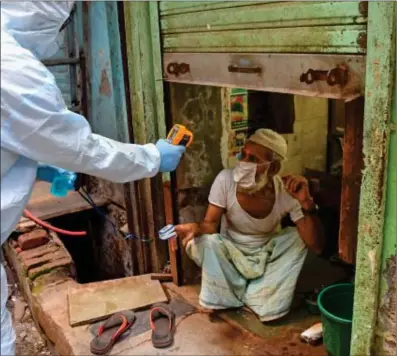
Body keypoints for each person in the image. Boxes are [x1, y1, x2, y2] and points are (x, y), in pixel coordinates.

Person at [0, 2, 186, 355]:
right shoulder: (12, 71)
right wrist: (152, 157)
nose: (57, 39)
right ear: (42, 14)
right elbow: (83, 149)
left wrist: (31, 166)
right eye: (62, 23)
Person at [175, 129, 325, 322]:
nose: (244, 162)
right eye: (243, 155)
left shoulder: (286, 191)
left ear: (273, 168)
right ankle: (229, 294)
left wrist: (307, 204)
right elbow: (210, 224)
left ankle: (257, 296)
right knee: (204, 242)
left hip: (266, 256)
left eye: (253, 159)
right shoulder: (225, 180)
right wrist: (197, 227)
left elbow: (317, 246)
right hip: (231, 254)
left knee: (299, 238)